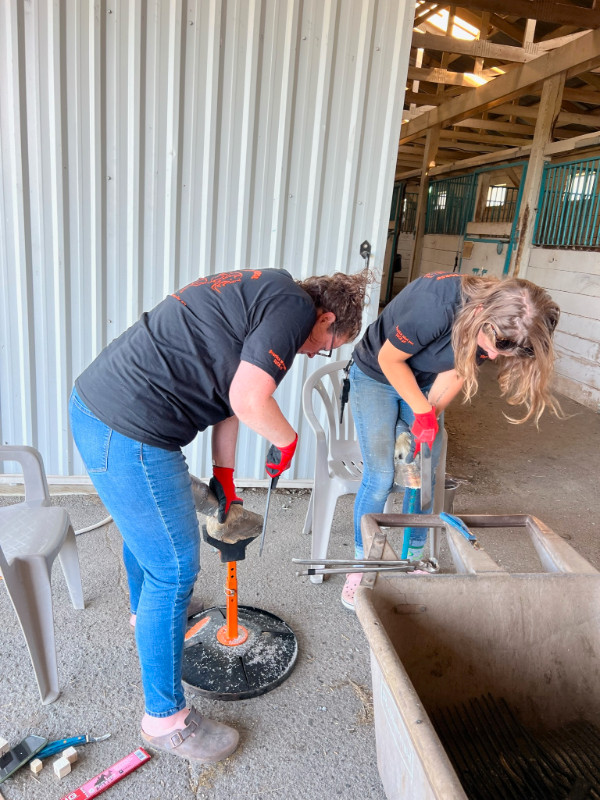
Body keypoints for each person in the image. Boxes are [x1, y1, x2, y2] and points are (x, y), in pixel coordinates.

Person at [69, 267, 371, 764]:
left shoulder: (267, 290)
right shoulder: (294, 311)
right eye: (329, 343)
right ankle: (165, 721)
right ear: (326, 317)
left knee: (146, 532)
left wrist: (224, 476)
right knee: (175, 568)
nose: (318, 352)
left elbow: (228, 397)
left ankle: (144, 617)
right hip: (130, 430)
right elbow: (248, 399)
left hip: (99, 405)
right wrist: (286, 439)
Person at [342, 270, 561, 610]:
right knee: (381, 476)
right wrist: (421, 412)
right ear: (481, 316)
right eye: (495, 348)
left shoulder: (498, 324)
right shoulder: (436, 304)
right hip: (378, 374)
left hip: (428, 379)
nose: (495, 357)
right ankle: (362, 565)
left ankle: (414, 561)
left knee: (424, 478)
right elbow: (390, 359)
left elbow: (457, 368)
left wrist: (427, 414)